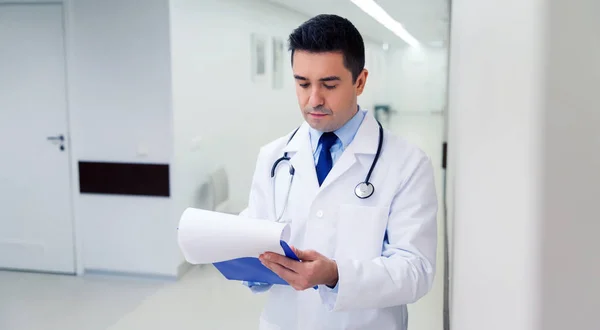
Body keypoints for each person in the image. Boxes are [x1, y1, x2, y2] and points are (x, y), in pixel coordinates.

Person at [239, 14, 438, 330]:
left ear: (360, 81)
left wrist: (334, 275)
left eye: (328, 84)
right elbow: (255, 246)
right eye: (302, 83)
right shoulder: (274, 157)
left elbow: (416, 271)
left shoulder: (408, 164)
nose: (313, 99)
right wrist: (243, 260)